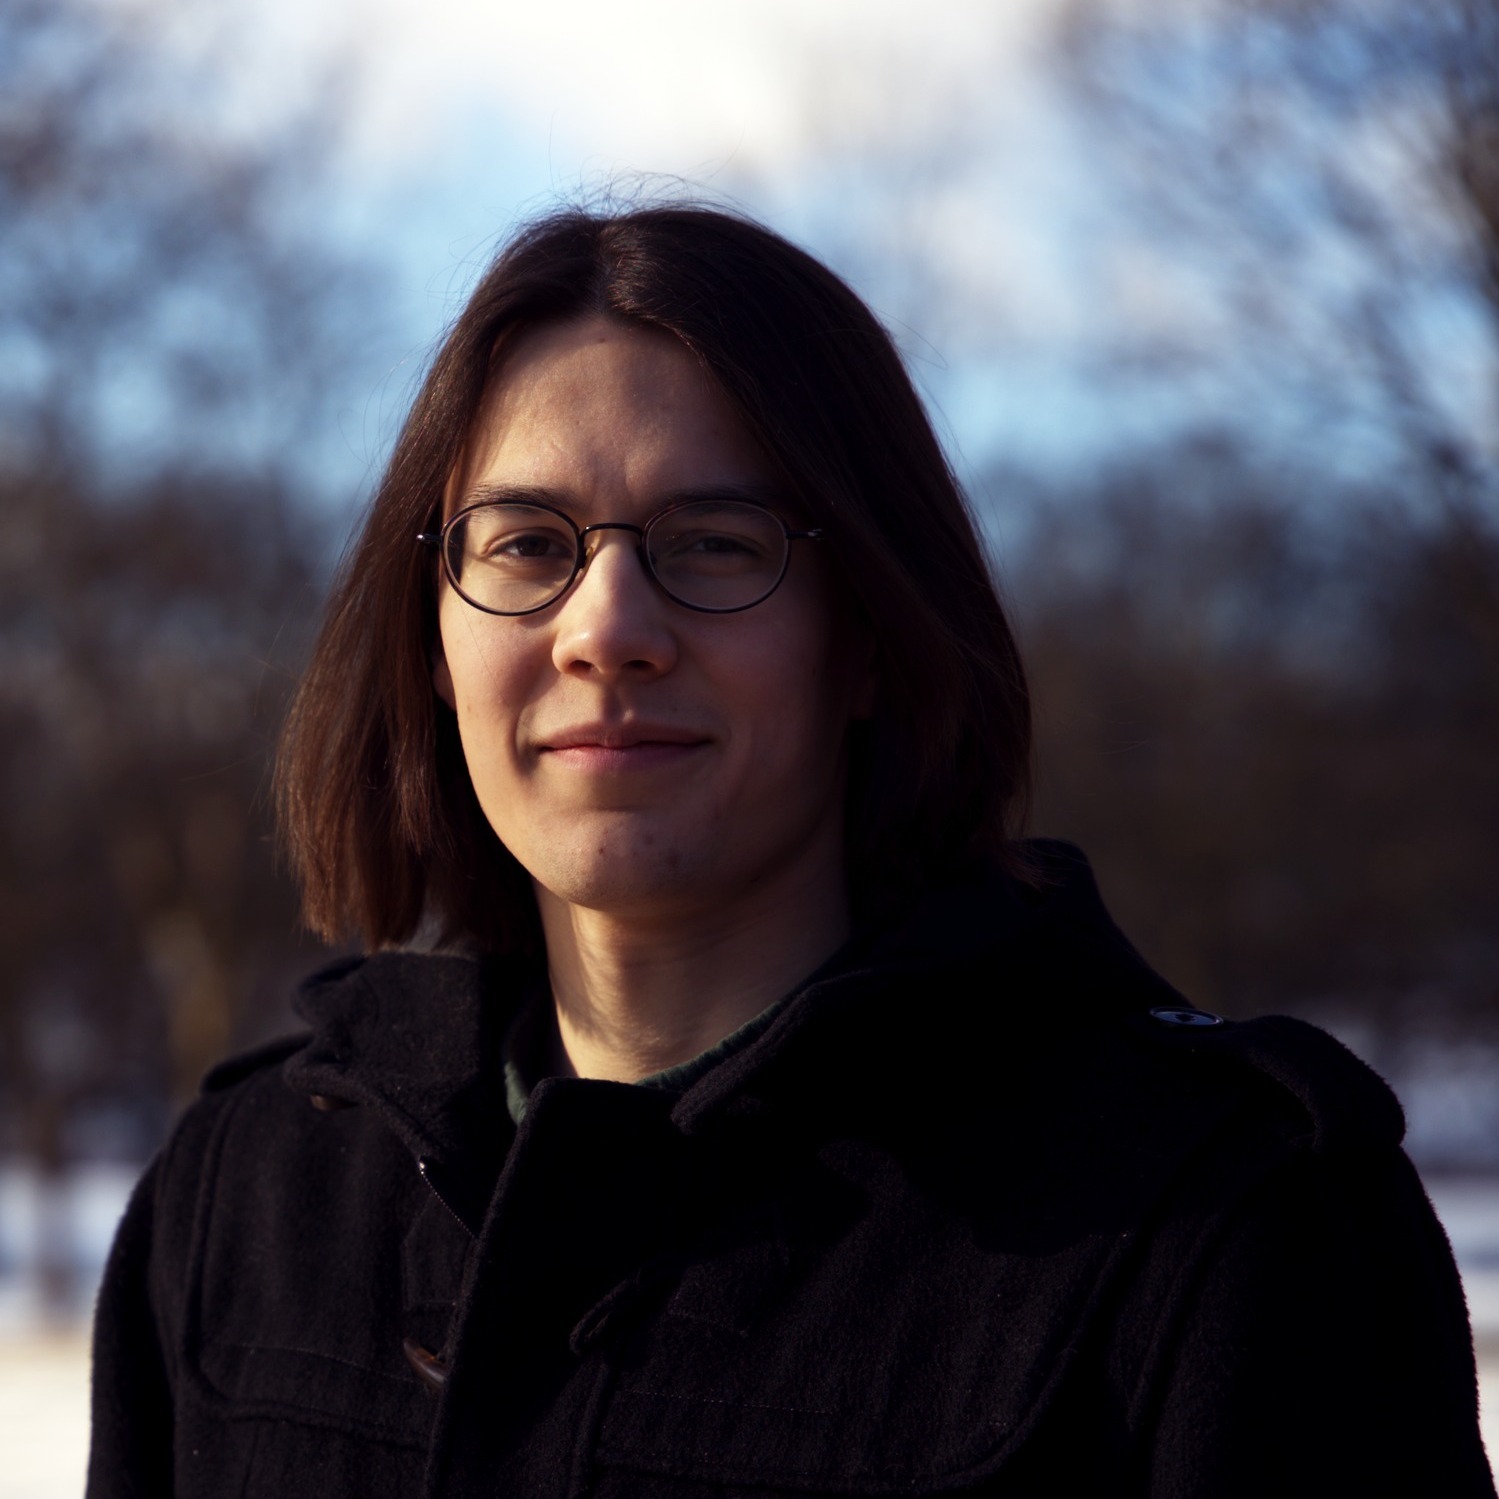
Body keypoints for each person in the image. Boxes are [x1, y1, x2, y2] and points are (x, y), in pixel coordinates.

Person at [87, 204, 1494, 1498]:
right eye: (525, 546)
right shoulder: (241, 1204)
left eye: (715, 541)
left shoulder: (1223, 1227)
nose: (606, 627)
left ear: (870, 634)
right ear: (434, 642)